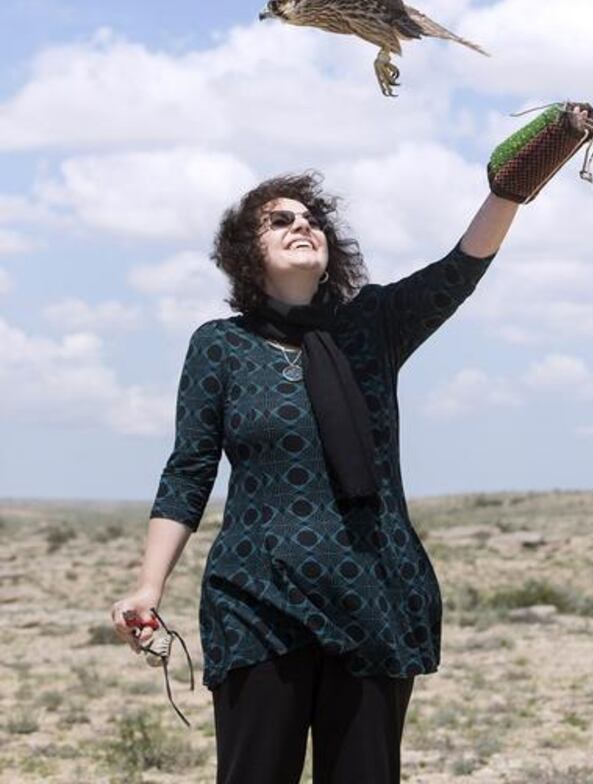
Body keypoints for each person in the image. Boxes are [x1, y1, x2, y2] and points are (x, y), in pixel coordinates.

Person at [109, 168, 524, 784]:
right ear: (247, 252)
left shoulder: (373, 326)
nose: (302, 224)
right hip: (258, 596)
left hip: (373, 593)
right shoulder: (220, 346)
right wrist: (148, 586)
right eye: (280, 220)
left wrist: (512, 186)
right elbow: (189, 471)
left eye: (311, 219)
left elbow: (460, 269)